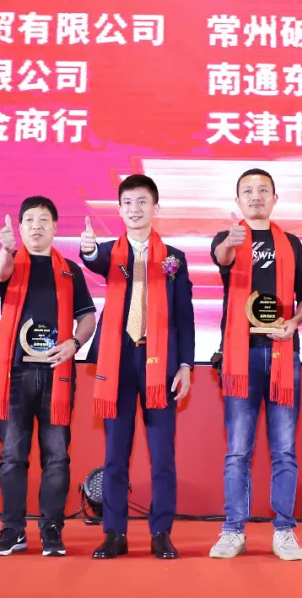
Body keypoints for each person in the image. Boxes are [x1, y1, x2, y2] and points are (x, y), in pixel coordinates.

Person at [79, 174, 195, 560]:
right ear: (119, 209)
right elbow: (95, 260)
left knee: (162, 457)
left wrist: (185, 364)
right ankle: (114, 533)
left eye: (142, 202)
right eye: (127, 202)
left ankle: (161, 532)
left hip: (161, 366)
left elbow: (185, 315)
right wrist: (88, 251)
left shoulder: (174, 258)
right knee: (115, 455)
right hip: (119, 361)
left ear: (155, 207)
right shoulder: (110, 253)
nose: (135, 209)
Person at [209, 168, 302, 561]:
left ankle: (284, 530)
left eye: (263, 190)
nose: (256, 196)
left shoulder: (291, 243)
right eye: (248, 191)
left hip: (283, 355)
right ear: (238, 200)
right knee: (238, 450)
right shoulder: (228, 238)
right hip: (240, 356)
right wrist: (229, 244)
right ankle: (233, 530)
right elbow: (221, 258)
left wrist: (294, 322)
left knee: (284, 449)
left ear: (275, 198)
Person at [0, 196, 97, 557]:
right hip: (15, 374)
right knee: (12, 456)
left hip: (57, 375)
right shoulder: (12, 263)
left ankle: (52, 529)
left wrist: (74, 344)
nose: (37, 225)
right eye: (30, 220)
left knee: (57, 456)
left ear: (54, 227)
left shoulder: (70, 270)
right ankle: (12, 530)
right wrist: (5, 250)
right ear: (20, 228)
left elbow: (88, 317)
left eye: (44, 220)